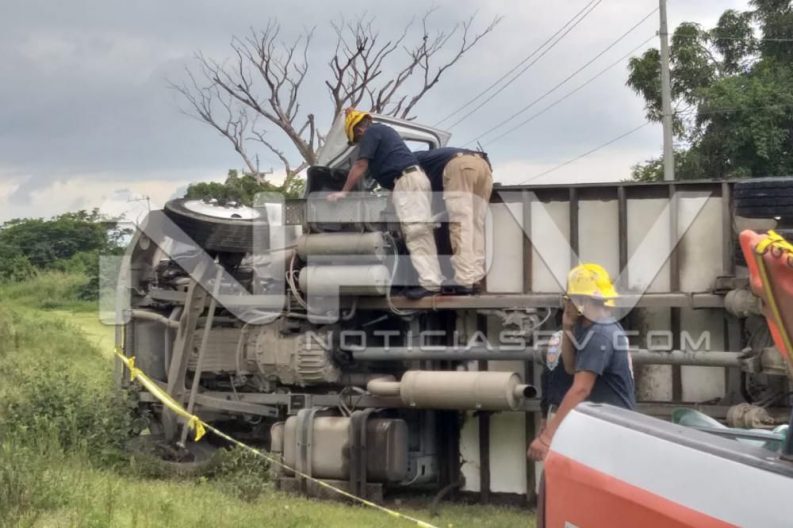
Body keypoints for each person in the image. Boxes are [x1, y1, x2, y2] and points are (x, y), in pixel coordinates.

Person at [327, 109, 444, 299]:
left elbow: (360, 166)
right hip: (407, 183)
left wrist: (343, 192)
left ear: (358, 131)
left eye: (357, 142)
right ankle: (425, 279)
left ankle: (430, 283)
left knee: (416, 232)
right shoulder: (383, 132)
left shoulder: (371, 132)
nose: (360, 146)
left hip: (407, 183)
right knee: (415, 231)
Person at [527, 263, 636, 462]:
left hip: (611, 430)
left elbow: (580, 389)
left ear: (579, 301)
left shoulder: (599, 334)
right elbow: (571, 368)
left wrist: (547, 437)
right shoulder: (593, 328)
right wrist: (567, 326)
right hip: (606, 427)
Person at [414, 147, 493, 294]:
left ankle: (464, 280)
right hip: (483, 166)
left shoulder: (410, 162)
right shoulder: (430, 159)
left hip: (460, 167)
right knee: (476, 225)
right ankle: (474, 277)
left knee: (460, 225)